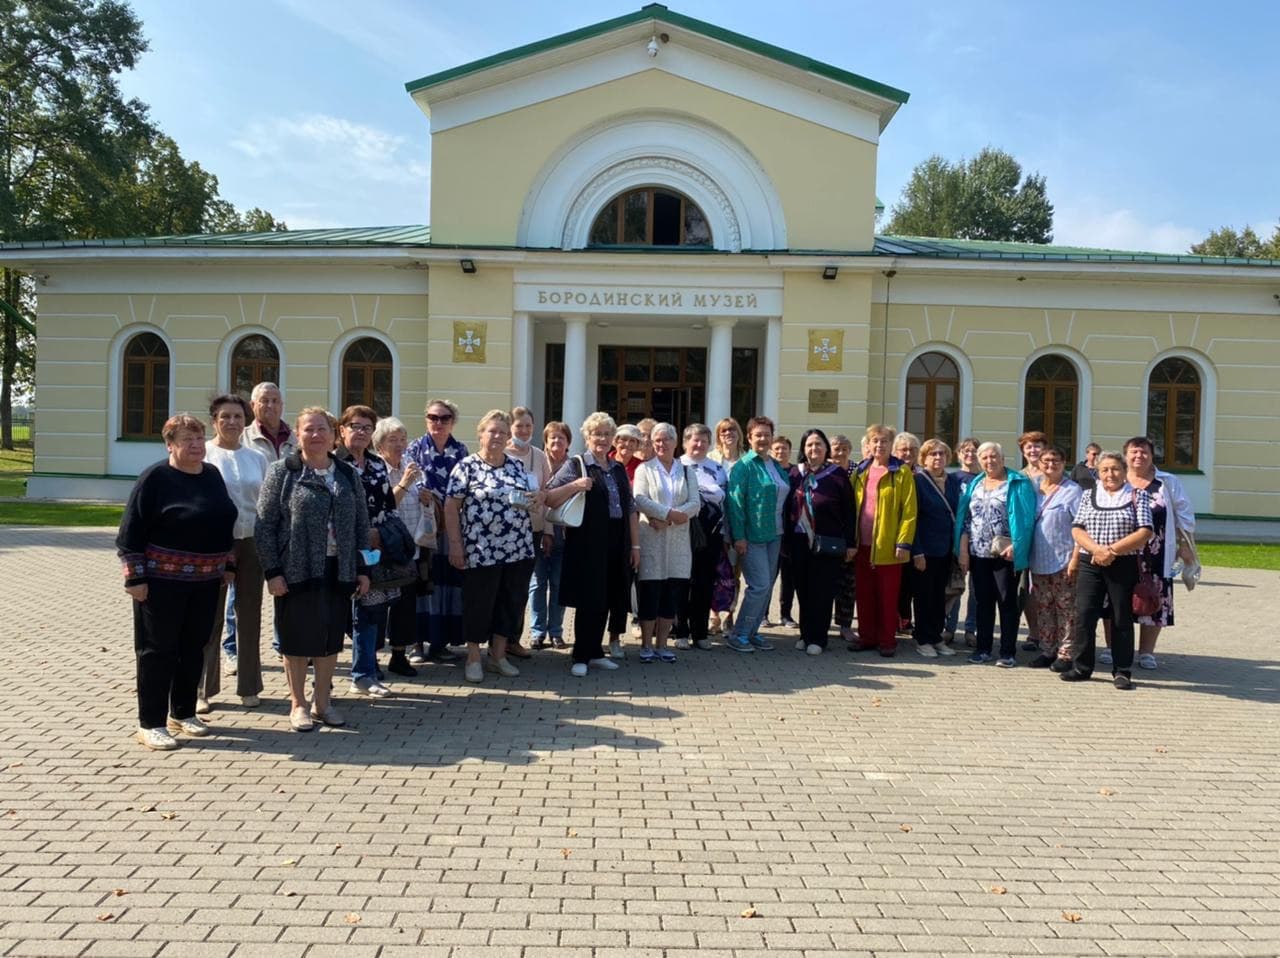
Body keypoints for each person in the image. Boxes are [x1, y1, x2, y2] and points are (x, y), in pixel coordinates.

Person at [118, 414, 236, 750]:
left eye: (200, 439)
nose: (197, 446)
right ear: (170, 445)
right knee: (158, 651)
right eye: (188, 440)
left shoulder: (212, 475)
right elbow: (130, 533)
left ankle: (183, 713)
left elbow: (223, 522)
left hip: (205, 582)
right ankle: (150, 722)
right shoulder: (155, 478)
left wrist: (228, 565)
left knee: (193, 648)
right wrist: (135, 577)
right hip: (160, 582)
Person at [256, 407, 371, 732]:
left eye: (323, 429)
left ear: (334, 435)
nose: (316, 435)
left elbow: (363, 524)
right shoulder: (284, 472)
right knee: (296, 639)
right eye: (309, 429)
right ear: (298, 433)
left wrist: (363, 568)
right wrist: (272, 571)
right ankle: (298, 704)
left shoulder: (347, 474)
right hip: (297, 568)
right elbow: (265, 526)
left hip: (340, 568)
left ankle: (323, 702)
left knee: (330, 637)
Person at [443, 410, 541, 684]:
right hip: (480, 551)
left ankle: (498, 656)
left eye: (502, 432)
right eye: (492, 431)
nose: (497, 436)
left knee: (511, 602)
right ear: (480, 434)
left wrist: (534, 500)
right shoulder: (466, 466)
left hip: (518, 549)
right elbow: (451, 506)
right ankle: (473, 658)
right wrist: (455, 545)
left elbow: (530, 499)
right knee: (479, 603)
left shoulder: (516, 466)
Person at [545, 412, 640, 676]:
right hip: (587, 541)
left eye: (607, 434)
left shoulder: (617, 468)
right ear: (587, 437)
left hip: (616, 541)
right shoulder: (577, 464)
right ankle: (581, 655)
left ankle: (596, 652)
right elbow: (549, 497)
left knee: (608, 595)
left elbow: (630, 507)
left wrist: (635, 546)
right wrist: (576, 485)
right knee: (589, 597)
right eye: (596, 433)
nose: (602, 438)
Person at [198, 394, 268, 712]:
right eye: (225, 416)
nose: (232, 422)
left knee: (250, 614)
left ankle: (250, 686)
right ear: (214, 420)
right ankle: (202, 688)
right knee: (209, 616)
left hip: (252, 541)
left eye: (238, 416)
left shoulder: (256, 457)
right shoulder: (205, 455)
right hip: (214, 543)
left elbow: (266, 502)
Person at [1062, 451, 1154, 689]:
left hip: (1122, 563)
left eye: (1115, 469)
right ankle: (1082, 667)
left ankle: (1122, 670)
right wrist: (1096, 551)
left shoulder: (1137, 495)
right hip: (1089, 562)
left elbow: (1145, 531)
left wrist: (1111, 551)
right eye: (1104, 470)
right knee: (1084, 614)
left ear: (1124, 471)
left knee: (1121, 617)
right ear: (1097, 473)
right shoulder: (1089, 494)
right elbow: (1077, 528)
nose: (1110, 474)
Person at [223, 381, 296, 675]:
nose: (270, 405)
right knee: (237, 594)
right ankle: (232, 650)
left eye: (275, 400)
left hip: (286, 526)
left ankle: (283, 646)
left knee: (284, 587)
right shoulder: (243, 438)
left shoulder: (294, 439)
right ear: (253, 406)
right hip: (249, 526)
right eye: (263, 401)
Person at [335, 404, 399, 699]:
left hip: (371, 550)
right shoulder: (331, 463)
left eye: (366, 428)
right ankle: (322, 676)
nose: (360, 432)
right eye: (355, 426)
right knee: (336, 614)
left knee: (370, 611)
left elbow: (388, 503)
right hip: (336, 550)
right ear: (342, 429)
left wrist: (379, 533)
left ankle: (364, 674)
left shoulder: (376, 464)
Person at [954, 441, 1036, 667]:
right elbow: (966, 518)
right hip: (978, 553)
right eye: (985, 458)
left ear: (1002, 458)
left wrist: (1018, 546)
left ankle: (1008, 652)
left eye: (994, 457)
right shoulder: (976, 483)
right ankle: (983, 649)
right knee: (983, 602)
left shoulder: (1017, 482)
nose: (989, 461)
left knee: (1007, 601)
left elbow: (1028, 519)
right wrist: (962, 549)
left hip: (1005, 553)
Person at [1123, 436, 1196, 670]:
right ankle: (1116, 647)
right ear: (1126, 455)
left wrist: (1185, 546)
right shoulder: (1117, 477)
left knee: (1154, 598)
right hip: (1122, 550)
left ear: (1152, 456)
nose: (1138, 456)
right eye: (1134, 452)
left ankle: (1146, 652)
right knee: (1116, 598)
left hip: (1158, 551)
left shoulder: (1167, 481)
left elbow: (1184, 512)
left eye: (1144, 452)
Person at [631, 423, 701, 662]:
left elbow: (695, 503)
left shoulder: (687, 470)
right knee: (650, 594)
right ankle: (646, 645)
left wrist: (670, 520)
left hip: (679, 543)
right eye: (656, 440)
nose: (661, 444)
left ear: (675, 442)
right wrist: (669, 514)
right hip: (652, 539)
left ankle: (662, 645)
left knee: (671, 596)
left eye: (666, 440)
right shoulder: (644, 469)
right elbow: (639, 499)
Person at [406, 399, 468, 663]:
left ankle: (440, 643)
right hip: (423, 527)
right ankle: (416, 643)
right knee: (423, 582)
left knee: (448, 585)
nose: (438, 423)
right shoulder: (415, 448)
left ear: (452, 421)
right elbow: (408, 483)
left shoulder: (461, 451)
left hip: (451, 527)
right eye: (433, 417)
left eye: (444, 418)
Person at [785, 429, 856, 655]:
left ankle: (818, 638)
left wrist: (851, 542)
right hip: (798, 541)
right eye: (809, 445)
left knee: (822, 591)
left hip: (827, 542)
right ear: (803, 449)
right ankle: (805, 634)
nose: (813, 449)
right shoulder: (796, 473)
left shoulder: (837, 474)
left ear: (826, 449)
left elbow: (849, 510)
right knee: (803, 589)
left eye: (818, 445)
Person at [850, 425, 918, 657]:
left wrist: (903, 542)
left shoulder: (901, 472)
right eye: (875, 441)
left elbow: (909, 511)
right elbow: (851, 508)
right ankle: (867, 637)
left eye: (884, 442)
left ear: (891, 445)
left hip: (888, 547)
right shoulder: (860, 471)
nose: (879, 446)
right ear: (868, 445)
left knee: (888, 597)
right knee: (865, 595)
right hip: (862, 546)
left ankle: (887, 640)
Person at [724, 416, 790, 654]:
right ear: (750, 438)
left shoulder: (774, 465)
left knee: (767, 585)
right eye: (758, 435)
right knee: (759, 585)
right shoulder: (744, 466)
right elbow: (735, 503)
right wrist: (739, 536)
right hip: (752, 536)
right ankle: (739, 633)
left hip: (775, 534)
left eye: (767, 435)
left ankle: (752, 632)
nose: (763, 439)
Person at [372, 416, 425, 678]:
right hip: (383, 550)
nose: (400, 444)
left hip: (409, 549)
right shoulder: (376, 469)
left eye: (403, 439)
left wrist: (426, 497)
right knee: (378, 606)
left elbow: (419, 502)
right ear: (380, 445)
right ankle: (370, 659)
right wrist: (404, 483)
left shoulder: (410, 465)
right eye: (393, 440)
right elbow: (382, 505)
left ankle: (399, 656)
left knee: (405, 607)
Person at [1027, 446, 1083, 669]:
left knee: (1066, 608)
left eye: (1056, 460)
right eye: (1046, 460)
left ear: (1064, 463)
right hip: (1038, 559)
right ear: (1039, 463)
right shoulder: (1033, 489)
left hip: (1064, 559)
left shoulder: (1073, 491)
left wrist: (1076, 559)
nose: (1050, 464)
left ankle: (1066, 653)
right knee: (1044, 606)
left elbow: (1081, 526)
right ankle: (1047, 650)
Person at [677, 423, 728, 652]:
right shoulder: (677, 466)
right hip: (682, 532)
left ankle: (700, 633)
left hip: (712, 534)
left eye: (704, 441)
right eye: (694, 440)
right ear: (685, 442)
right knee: (682, 582)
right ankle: (680, 631)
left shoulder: (718, 469)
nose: (699, 444)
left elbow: (727, 502)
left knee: (704, 583)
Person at [504, 406, 550, 659]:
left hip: (532, 530)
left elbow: (548, 493)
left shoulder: (539, 456)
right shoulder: (501, 453)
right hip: (504, 533)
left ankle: (513, 639)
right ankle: (496, 639)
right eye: (519, 425)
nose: (524, 430)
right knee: (502, 587)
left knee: (521, 587)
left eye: (528, 426)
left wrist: (548, 532)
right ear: (511, 427)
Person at [911, 439, 964, 657]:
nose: (938, 458)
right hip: (925, 548)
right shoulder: (918, 481)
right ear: (924, 458)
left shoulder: (952, 481)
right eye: (933, 454)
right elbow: (912, 517)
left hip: (946, 549)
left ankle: (936, 637)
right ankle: (923, 639)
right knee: (924, 596)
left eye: (942, 454)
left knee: (940, 596)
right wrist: (917, 551)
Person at [529, 421, 571, 650]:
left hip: (564, 533)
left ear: (568, 443)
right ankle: (537, 632)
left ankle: (556, 631)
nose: (557, 442)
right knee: (537, 583)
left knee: (557, 583)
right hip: (538, 530)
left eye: (561, 438)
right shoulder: (536, 463)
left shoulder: (574, 466)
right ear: (545, 441)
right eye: (552, 438)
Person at [947, 436, 983, 646]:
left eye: (973, 451)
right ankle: (949, 628)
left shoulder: (984, 479)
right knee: (954, 586)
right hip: (955, 538)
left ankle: (971, 629)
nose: (970, 455)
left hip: (978, 541)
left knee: (977, 589)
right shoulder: (953, 479)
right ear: (958, 454)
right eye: (965, 451)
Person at [828, 433, 859, 646]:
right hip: (827, 533)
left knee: (848, 584)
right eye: (836, 448)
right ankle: (821, 622)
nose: (839, 452)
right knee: (824, 582)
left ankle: (845, 626)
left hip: (850, 532)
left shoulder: (858, 470)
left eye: (843, 448)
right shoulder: (824, 470)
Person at [892, 431, 922, 637]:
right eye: (904, 449)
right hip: (895, 535)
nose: (908, 453)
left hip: (919, 536)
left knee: (912, 582)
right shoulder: (891, 471)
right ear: (895, 452)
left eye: (912, 450)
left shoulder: (922, 475)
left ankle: (906, 619)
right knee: (896, 582)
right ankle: (895, 619)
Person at [768, 436, 798, 629]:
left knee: (789, 577)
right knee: (768, 576)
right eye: (777, 449)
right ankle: (762, 614)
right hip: (770, 530)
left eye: (784, 448)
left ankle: (785, 614)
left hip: (791, 532)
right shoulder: (768, 470)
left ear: (790, 450)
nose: (780, 452)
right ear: (771, 451)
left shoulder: (796, 472)